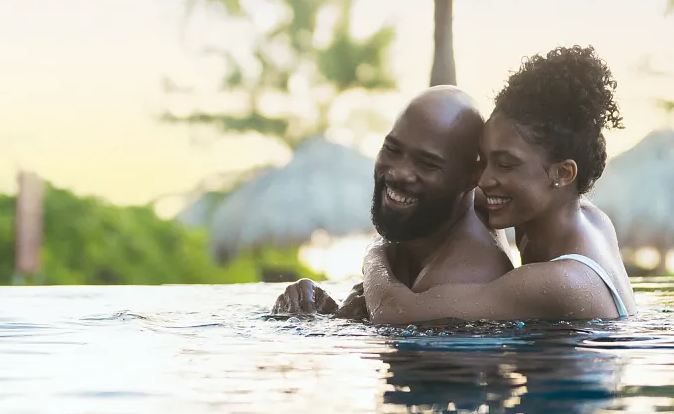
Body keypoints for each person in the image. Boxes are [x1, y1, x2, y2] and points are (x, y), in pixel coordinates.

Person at [359, 46, 634, 323]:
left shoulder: (562, 282)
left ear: (563, 173)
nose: (484, 179)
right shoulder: (580, 217)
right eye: (485, 160)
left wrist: (376, 253)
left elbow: (393, 313)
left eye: (505, 164)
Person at [271, 87, 514, 317]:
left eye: (427, 163)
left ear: (473, 176)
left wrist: (375, 253)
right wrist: (324, 309)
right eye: (392, 149)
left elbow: (393, 321)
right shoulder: (444, 222)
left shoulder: (458, 276)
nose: (398, 173)